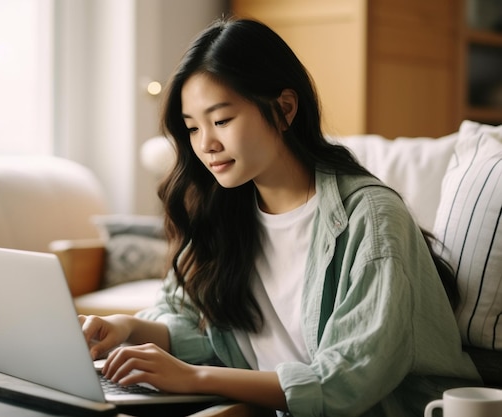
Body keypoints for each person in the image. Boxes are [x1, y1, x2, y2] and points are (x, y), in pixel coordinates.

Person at [79, 17, 481, 416]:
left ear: (285, 109)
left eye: (221, 120)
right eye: (192, 128)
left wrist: (193, 378)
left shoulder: (372, 221)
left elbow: (345, 381)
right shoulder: (226, 210)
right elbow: (200, 326)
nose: (207, 145)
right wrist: (127, 328)